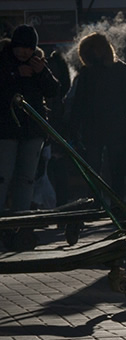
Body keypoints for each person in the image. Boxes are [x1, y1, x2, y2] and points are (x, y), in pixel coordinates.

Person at [68, 32, 126, 199]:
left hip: (92, 128)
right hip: (117, 128)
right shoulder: (123, 70)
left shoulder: (86, 73)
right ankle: (117, 203)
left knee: (93, 169)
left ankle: (95, 201)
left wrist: (73, 130)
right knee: (117, 171)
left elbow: (78, 105)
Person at [0, 25, 60, 213]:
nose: (24, 52)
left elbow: (54, 90)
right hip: (6, 129)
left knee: (27, 178)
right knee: (3, 176)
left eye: (28, 48)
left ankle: (22, 220)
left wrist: (42, 72)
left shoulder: (38, 63)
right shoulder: (3, 61)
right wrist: (15, 75)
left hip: (32, 130)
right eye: (20, 47)